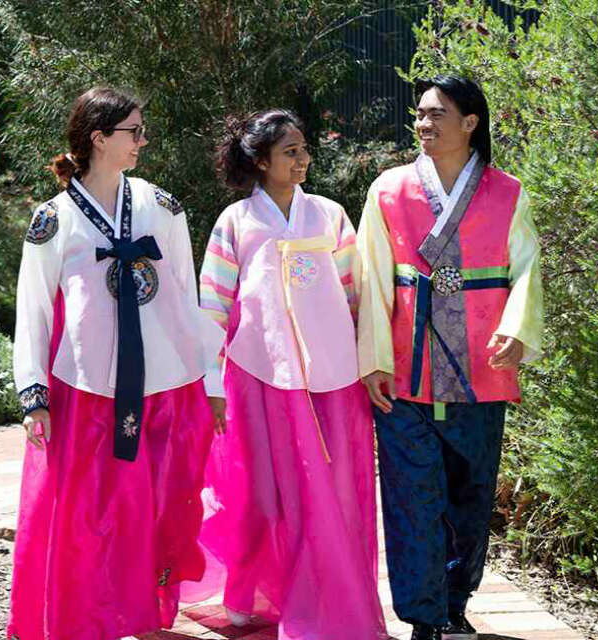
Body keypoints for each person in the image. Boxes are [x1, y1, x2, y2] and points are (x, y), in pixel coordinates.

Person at [6, 86, 225, 640]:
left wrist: (211, 379)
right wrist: (34, 395)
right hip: (87, 389)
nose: (143, 140)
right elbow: (32, 310)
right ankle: (84, 618)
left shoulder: (161, 207)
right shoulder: (54, 220)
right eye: (134, 131)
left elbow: (185, 296)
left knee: (157, 504)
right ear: (99, 139)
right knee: (85, 515)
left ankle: (145, 613)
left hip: (164, 384)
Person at [354, 74, 544, 640]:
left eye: (437, 114)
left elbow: (527, 268)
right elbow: (371, 277)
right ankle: (424, 616)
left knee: (471, 493)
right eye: (419, 113)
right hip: (406, 374)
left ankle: (455, 601)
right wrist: (374, 358)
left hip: (481, 369)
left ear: (470, 123)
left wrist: (517, 328)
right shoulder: (388, 190)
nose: (423, 123)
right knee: (412, 498)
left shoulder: (507, 191)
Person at [184, 109, 386, 640]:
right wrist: (209, 383)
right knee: (259, 492)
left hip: (334, 379)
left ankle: (326, 598)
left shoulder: (330, 215)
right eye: (290, 151)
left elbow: (353, 296)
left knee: (331, 492)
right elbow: (213, 306)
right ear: (260, 160)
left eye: (304, 148)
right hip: (258, 376)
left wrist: (367, 365)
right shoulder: (235, 222)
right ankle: (249, 593)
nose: (303, 159)